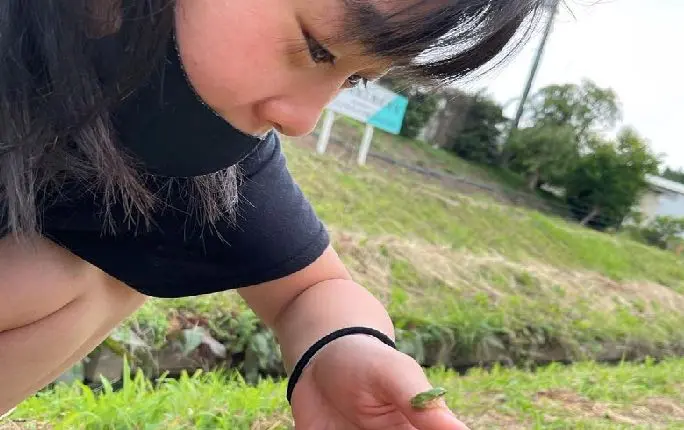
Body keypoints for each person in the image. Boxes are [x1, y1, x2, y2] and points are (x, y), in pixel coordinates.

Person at [0, 0, 545, 427]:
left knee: (96, 275)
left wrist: (340, 347)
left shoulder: (195, 150)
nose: (304, 120)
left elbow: (313, 288)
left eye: (355, 78)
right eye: (318, 48)